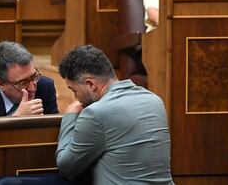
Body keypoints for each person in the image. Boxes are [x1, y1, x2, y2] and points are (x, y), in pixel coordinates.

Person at [56, 45, 174, 184]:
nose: (76, 97)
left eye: (74, 90)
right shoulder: (154, 100)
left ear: (90, 84)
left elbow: (67, 168)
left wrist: (69, 116)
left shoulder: (95, 113)